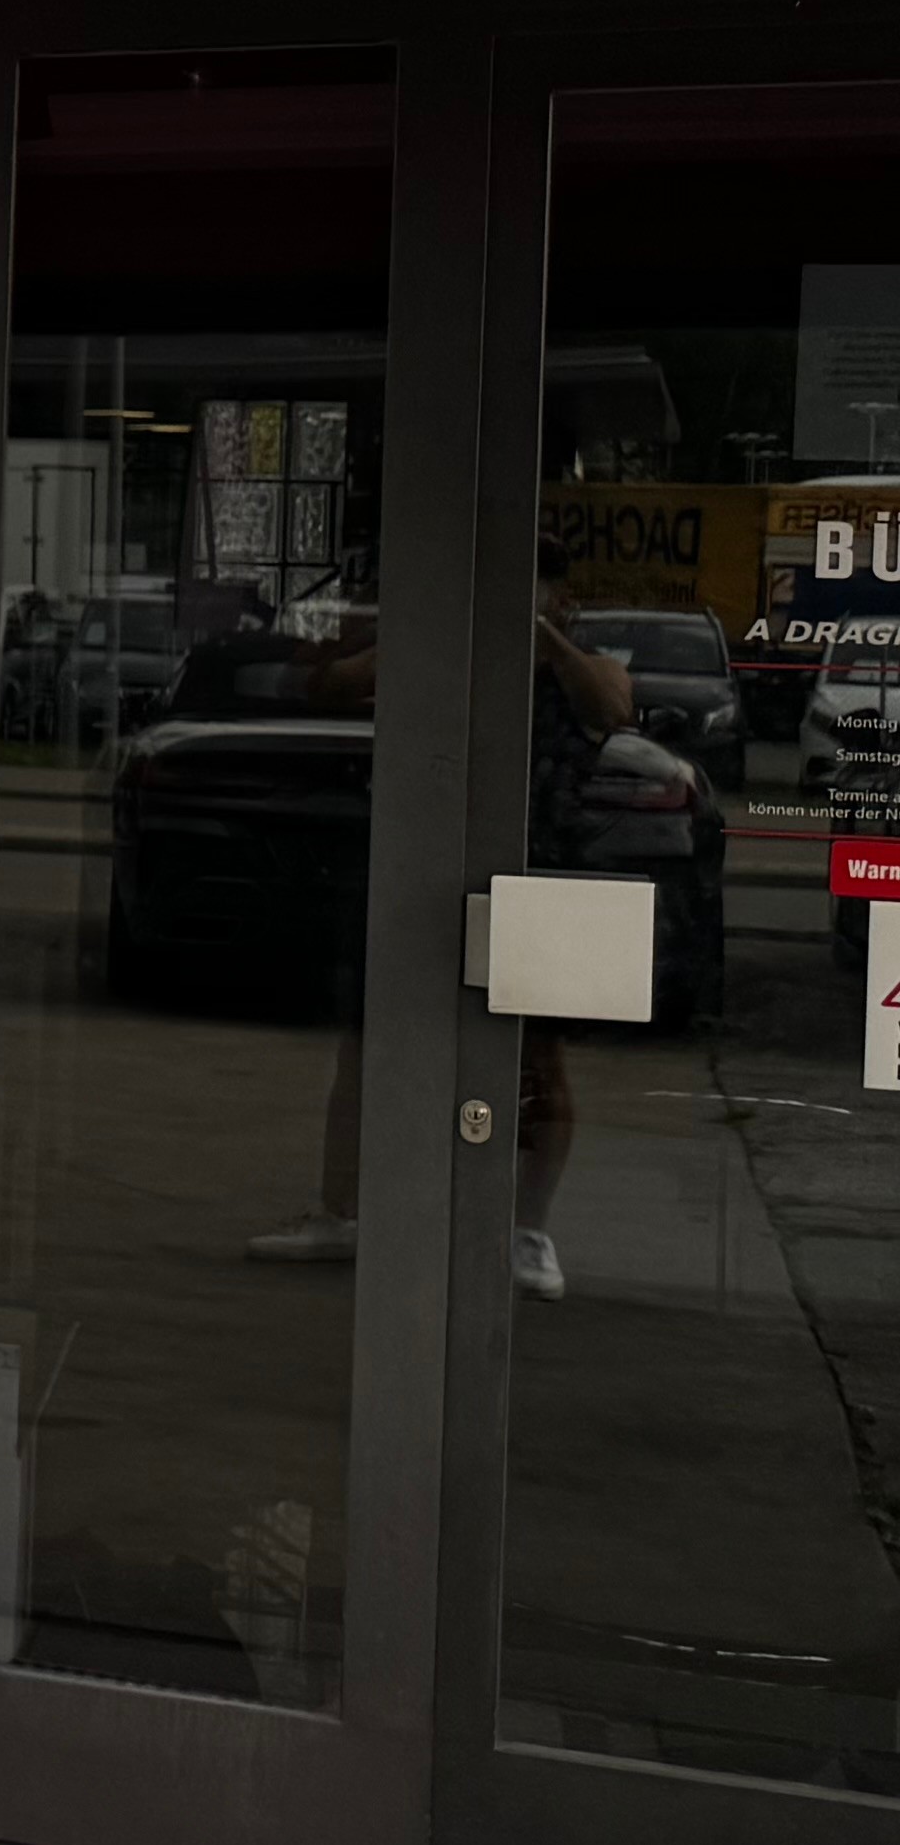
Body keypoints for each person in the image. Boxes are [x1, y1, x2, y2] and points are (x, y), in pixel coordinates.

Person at [245, 538, 629, 1298]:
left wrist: (537, 634)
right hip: (416, 874)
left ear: (557, 598)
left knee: (535, 1060)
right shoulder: (436, 659)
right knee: (369, 1041)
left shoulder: (581, 664)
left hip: (534, 878)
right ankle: (344, 1211)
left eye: (529, 589)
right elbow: (330, 684)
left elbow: (612, 704)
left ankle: (527, 1230)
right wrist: (431, 630)